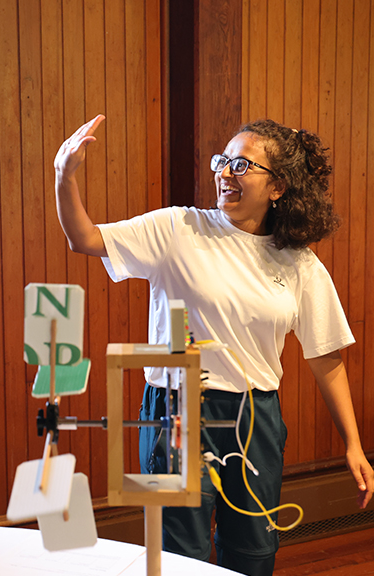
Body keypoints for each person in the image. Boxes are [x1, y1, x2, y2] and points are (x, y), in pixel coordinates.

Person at [54, 115, 373, 576]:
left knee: (254, 554)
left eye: (242, 165)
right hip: (172, 411)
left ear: (278, 186)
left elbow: (327, 358)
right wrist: (65, 174)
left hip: (256, 417)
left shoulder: (299, 262)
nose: (225, 172)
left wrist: (354, 445)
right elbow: (82, 238)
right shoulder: (177, 228)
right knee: (176, 556)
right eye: (222, 161)